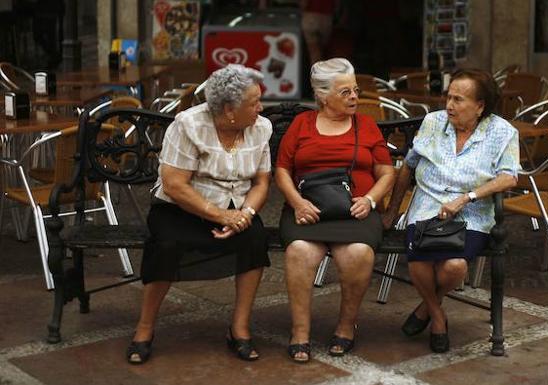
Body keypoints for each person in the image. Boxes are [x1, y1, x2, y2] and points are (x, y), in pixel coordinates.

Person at [127, 64, 271, 364]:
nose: (261, 107)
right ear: (230, 109)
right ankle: (144, 328)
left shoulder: (260, 127)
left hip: (235, 207)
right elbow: (175, 185)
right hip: (180, 208)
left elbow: (261, 183)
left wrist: (244, 214)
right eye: (254, 102)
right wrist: (220, 216)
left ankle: (239, 328)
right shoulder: (188, 125)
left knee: (255, 238)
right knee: (165, 245)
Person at [382, 69, 520, 353]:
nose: (449, 105)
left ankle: (425, 309)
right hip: (426, 207)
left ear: (480, 106)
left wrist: (467, 197)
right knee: (419, 260)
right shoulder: (434, 122)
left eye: (459, 99)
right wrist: (393, 211)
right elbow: (408, 164)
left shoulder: (503, 132)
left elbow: (509, 177)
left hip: (472, 214)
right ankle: (438, 317)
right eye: (448, 97)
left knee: (454, 265)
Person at [275, 57, 395, 363]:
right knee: (299, 251)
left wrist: (369, 199)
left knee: (358, 253)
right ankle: (300, 331)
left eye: (355, 90)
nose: (355, 96)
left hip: (356, 210)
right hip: (307, 210)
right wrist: (297, 203)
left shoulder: (366, 126)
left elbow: (386, 172)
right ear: (323, 96)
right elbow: (282, 171)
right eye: (345, 92)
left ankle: (345, 326)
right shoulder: (301, 125)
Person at [301, 0, 338, 65]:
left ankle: (317, 73)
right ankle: (323, 72)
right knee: (322, 52)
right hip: (327, 18)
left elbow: (304, 3)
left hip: (310, 17)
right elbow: (337, 5)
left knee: (314, 54)